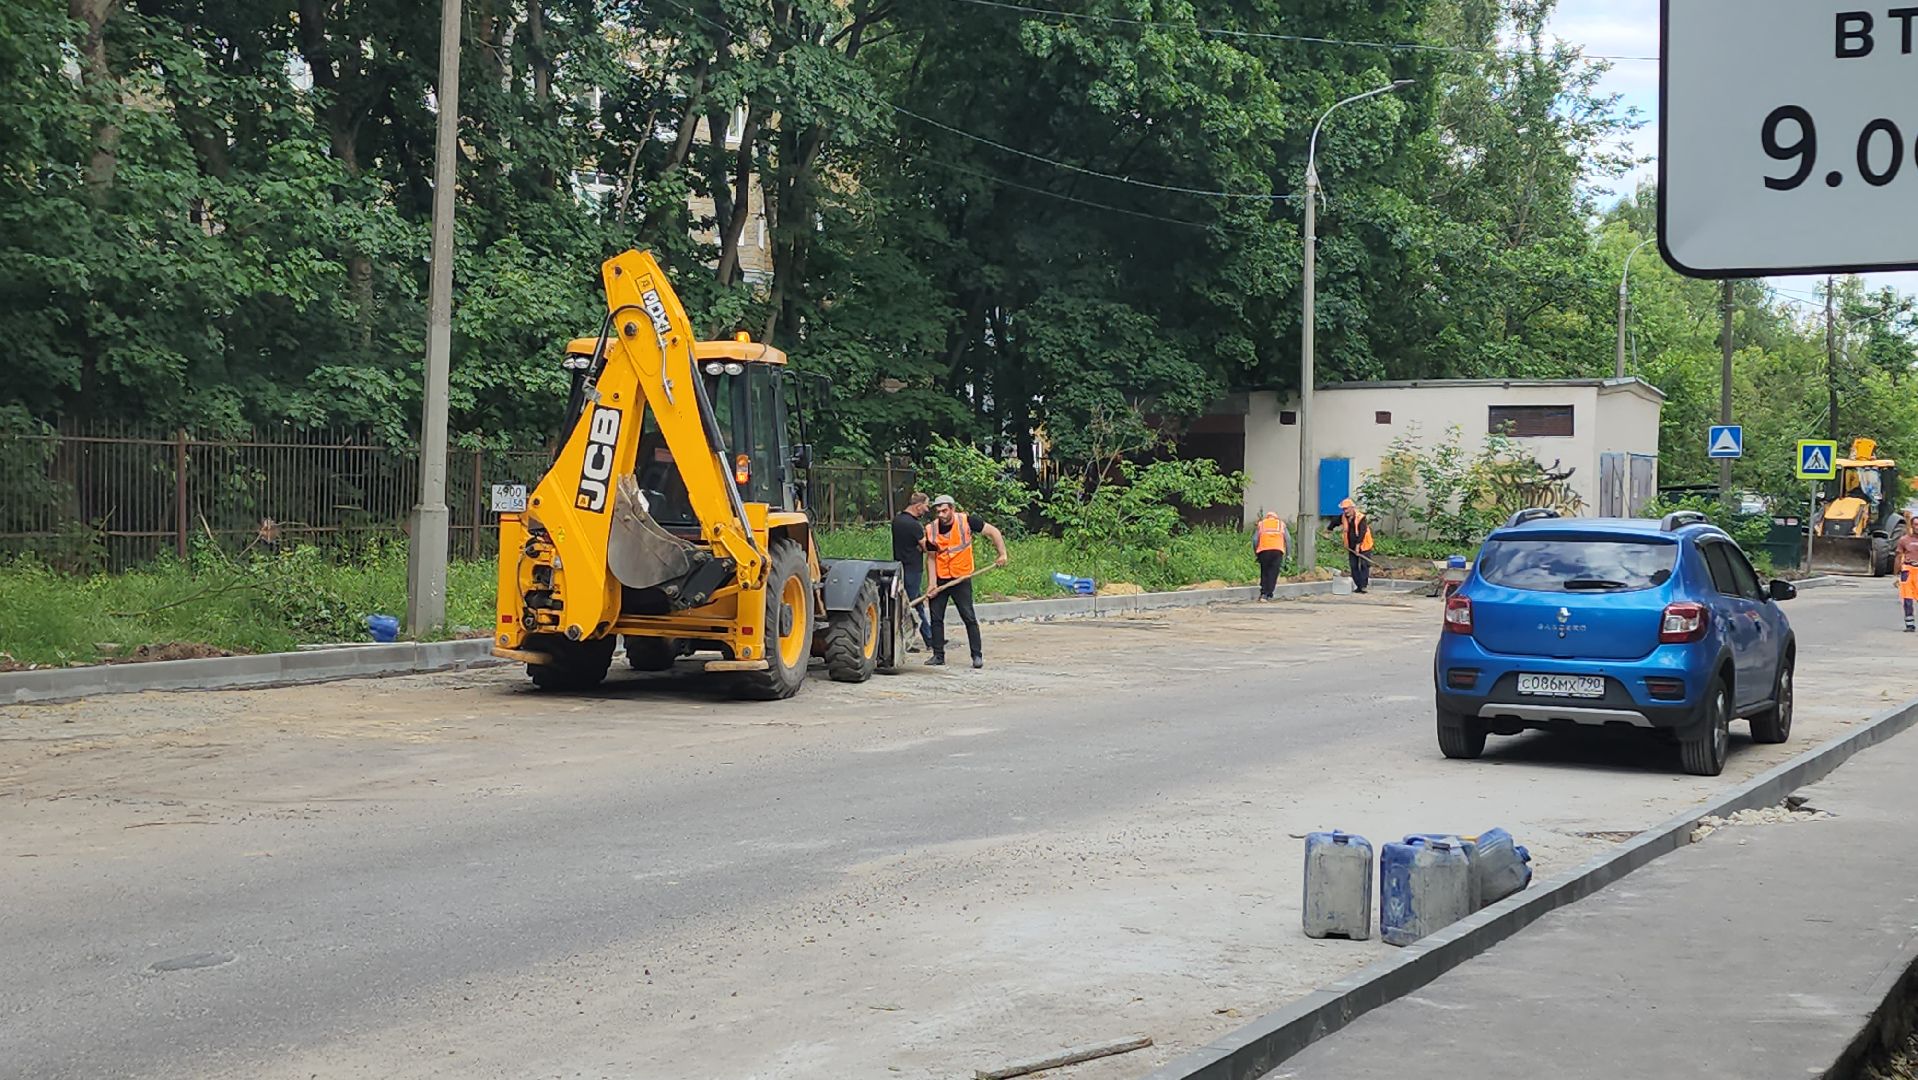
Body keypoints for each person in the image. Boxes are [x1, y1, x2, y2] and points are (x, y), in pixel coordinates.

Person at [922, 494, 1009, 668]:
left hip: (961, 578)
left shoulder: (967, 521)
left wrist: (1002, 554)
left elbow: (993, 532)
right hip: (941, 579)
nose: (941, 514)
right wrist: (932, 583)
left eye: (944, 511)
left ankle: (977, 655)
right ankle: (938, 655)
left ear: (952, 509)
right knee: (936, 617)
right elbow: (931, 557)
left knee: (968, 617)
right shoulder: (931, 529)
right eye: (938, 511)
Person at [891, 492, 935, 649]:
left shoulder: (897, 520)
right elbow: (926, 547)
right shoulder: (914, 525)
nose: (927, 510)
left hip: (899, 566)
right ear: (918, 506)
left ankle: (927, 638)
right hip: (913, 569)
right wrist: (938, 547)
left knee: (911, 603)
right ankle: (922, 639)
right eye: (926, 506)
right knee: (913, 604)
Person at [1325, 497, 1374, 593]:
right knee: (1353, 565)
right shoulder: (1343, 517)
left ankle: (1363, 586)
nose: (1345, 511)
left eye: (1347, 509)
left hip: (1364, 545)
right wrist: (1328, 531)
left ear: (1352, 508)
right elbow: (1334, 522)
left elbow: (1362, 532)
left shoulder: (1361, 518)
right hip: (1351, 546)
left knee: (1364, 565)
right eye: (1344, 509)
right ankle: (1358, 586)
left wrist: (1358, 546)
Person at [1252, 511, 1288, 601]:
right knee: (1273, 572)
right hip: (1277, 551)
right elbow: (1288, 540)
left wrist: (1256, 553)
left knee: (1264, 571)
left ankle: (1263, 592)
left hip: (1263, 550)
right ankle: (1268, 593)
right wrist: (1288, 555)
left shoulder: (1261, 524)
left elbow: (1255, 539)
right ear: (1276, 517)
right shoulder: (1281, 524)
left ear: (1267, 517)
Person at [1896, 510, 1918, 632]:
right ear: (1912, 526)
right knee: (1907, 599)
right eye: (1916, 524)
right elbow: (1898, 556)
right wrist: (1896, 574)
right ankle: (1910, 624)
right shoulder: (1904, 540)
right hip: (1908, 571)